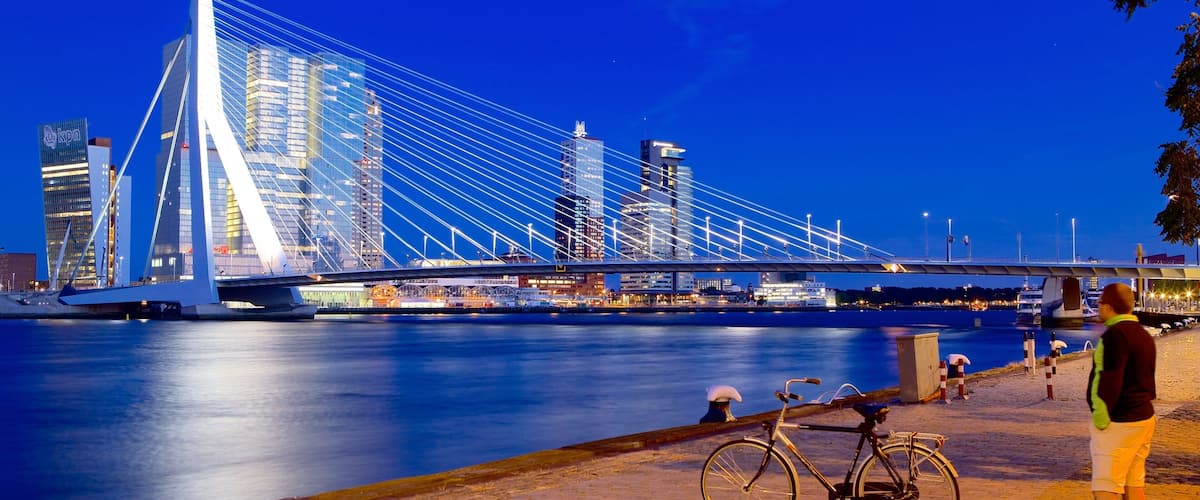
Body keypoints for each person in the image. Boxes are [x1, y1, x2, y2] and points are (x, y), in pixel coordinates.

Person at [1087, 283, 1157, 500]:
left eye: (1100, 303)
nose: (1098, 308)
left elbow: (1109, 380)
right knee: (1133, 482)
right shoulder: (1143, 335)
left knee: (1106, 486)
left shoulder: (1114, 337)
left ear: (1108, 306)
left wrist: (1100, 419)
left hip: (1119, 422)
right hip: (1143, 416)